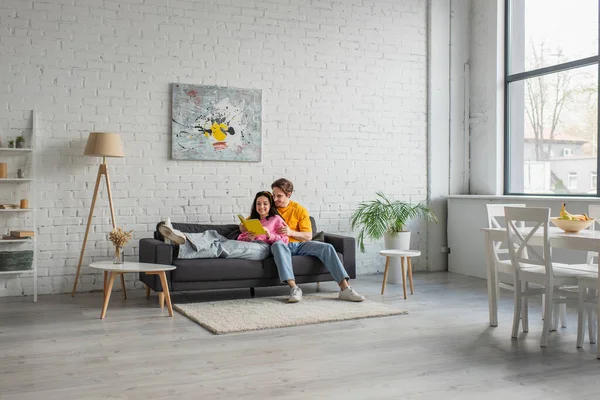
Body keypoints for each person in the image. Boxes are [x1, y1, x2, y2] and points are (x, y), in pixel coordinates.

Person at [269, 178, 365, 303]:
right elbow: (252, 220)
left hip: (300, 245)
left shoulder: (299, 210)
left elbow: (308, 236)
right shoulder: (268, 208)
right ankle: (294, 289)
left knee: (327, 247)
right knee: (277, 245)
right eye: (273, 195)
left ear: (289, 195)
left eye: (279, 196)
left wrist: (291, 232)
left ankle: (345, 289)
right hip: (281, 245)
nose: (275, 199)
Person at [158, 191, 287, 260]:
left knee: (220, 247)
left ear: (270, 205)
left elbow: (285, 241)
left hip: (263, 249)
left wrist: (269, 235)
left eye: (265, 203)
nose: (261, 207)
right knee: (213, 235)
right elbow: (241, 239)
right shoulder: (253, 220)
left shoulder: (276, 219)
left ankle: (178, 247)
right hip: (251, 243)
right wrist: (249, 237)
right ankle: (180, 236)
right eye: (258, 203)